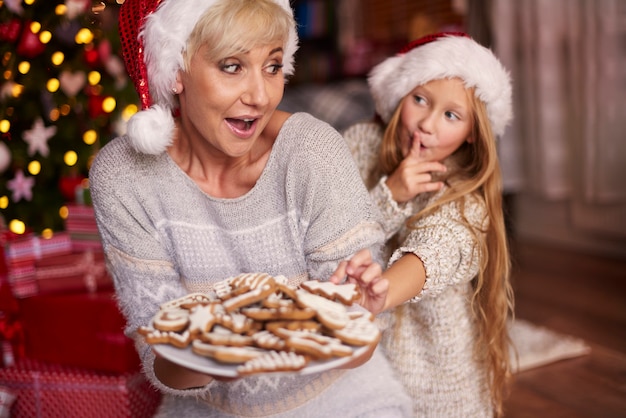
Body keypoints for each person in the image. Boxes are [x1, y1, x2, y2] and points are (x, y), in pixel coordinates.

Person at [88, 0, 413, 417]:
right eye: (232, 66)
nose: (261, 96)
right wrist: (217, 352)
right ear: (176, 73)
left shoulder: (313, 153)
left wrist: (353, 318)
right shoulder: (123, 177)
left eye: (273, 66)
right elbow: (159, 358)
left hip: (342, 404)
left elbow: (360, 344)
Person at [331, 32, 515, 417]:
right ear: (400, 95)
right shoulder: (360, 143)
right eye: (420, 99)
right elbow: (331, 231)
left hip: (437, 383)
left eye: (451, 115)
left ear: (471, 134)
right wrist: (391, 194)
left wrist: (379, 293)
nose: (427, 124)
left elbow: (436, 250)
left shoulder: (465, 195)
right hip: (359, 371)